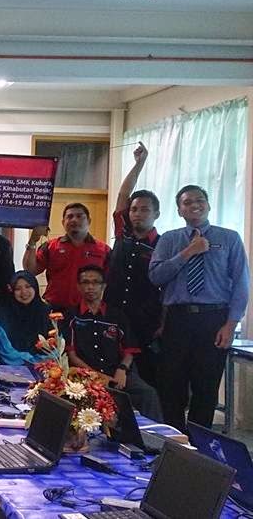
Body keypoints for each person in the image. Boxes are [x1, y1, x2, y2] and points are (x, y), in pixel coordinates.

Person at [149, 184, 249, 430]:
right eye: (187, 202)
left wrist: (231, 324)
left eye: (200, 200)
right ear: (179, 210)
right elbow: (156, 276)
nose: (194, 205)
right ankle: (174, 442)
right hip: (177, 320)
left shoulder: (229, 238)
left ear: (208, 205)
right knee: (172, 387)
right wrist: (188, 252)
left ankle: (199, 445)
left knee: (206, 388)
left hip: (213, 319)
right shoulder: (170, 239)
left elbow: (241, 284)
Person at [65, 265, 162, 421]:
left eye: (95, 282)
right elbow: (72, 355)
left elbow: (129, 350)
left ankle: (155, 434)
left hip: (117, 372)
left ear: (103, 286)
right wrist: (96, 376)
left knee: (148, 393)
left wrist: (122, 370)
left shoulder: (117, 315)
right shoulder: (71, 316)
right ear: (78, 286)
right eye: (85, 282)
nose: (90, 287)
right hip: (85, 374)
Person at [105, 144, 164, 388]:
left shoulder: (164, 245)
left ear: (156, 214)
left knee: (147, 381)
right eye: (134, 209)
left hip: (145, 322)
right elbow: (122, 195)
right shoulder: (123, 234)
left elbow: (167, 288)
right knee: (111, 376)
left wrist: (163, 323)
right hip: (114, 316)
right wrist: (139, 164)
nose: (138, 214)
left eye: (144, 209)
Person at [23, 203, 111, 313]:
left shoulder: (104, 250)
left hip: (89, 312)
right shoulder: (51, 247)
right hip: (55, 310)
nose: (74, 220)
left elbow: (111, 282)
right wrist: (33, 240)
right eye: (70, 216)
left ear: (89, 221)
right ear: (63, 222)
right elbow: (30, 270)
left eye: (79, 216)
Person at [0, 271, 56, 358]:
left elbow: (55, 343)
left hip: (45, 363)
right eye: (18, 289)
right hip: (10, 363)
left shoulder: (46, 312)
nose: (24, 292)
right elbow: (4, 348)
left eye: (28, 286)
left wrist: (42, 361)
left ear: (35, 287)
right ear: (12, 291)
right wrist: (26, 359)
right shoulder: (4, 314)